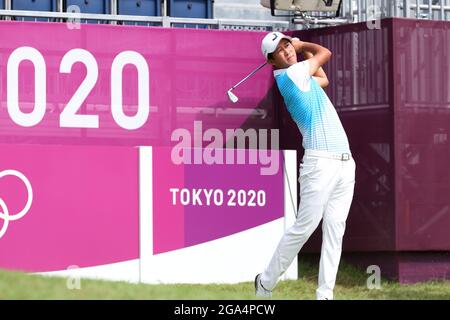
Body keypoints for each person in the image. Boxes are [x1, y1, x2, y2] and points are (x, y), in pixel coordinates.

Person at [255, 32, 356, 300]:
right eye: (280, 50)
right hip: (320, 163)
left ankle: (325, 295)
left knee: (335, 230)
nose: (287, 51)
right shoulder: (289, 76)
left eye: (287, 45)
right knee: (305, 227)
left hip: (345, 162)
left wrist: (302, 52)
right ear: (272, 61)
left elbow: (323, 79)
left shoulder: (302, 75)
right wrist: (303, 46)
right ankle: (265, 282)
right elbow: (325, 53)